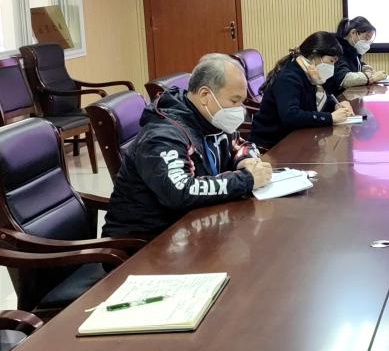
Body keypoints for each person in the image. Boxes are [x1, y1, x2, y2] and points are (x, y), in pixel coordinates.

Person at [103, 54, 273, 239]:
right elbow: (180, 191)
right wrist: (246, 180)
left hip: (194, 225)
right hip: (147, 241)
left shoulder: (212, 118)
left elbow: (241, 144)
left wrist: (246, 160)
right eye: (234, 101)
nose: (240, 109)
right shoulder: (163, 135)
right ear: (205, 96)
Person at [250, 31, 355, 149]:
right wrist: (330, 118)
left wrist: (337, 104)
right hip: (271, 146)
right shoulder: (289, 77)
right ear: (315, 55)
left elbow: (315, 101)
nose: (333, 67)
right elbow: (291, 116)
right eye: (331, 61)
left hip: (293, 139)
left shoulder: (310, 74)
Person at [330, 16, 387, 93]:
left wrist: (365, 68)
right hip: (338, 97)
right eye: (366, 38)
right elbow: (344, 79)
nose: (367, 43)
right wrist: (371, 78)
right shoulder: (337, 49)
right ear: (353, 33)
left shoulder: (351, 49)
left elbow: (354, 64)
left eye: (369, 40)